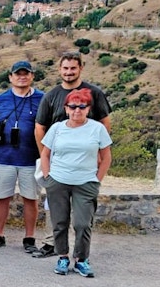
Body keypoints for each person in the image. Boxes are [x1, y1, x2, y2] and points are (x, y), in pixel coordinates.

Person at [33, 50, 112, 258]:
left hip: (86, 164)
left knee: (82, 218)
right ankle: (53, 246)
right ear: (60, 69)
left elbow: (105, 124)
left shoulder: (94, 93)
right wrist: (46, 162)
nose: (69, 72)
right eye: (65, 68)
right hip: (58, 164)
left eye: (73, 68)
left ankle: (80, 256)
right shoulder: (51, 96)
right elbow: (40, 127)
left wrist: (97, 154)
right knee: (56, 212)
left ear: (81, 68)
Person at [40, 89, 112, 277]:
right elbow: (45, 154)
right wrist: (48, 177)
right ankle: (62, 256)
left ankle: (81, 259)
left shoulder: (97, 129)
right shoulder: (57, 128)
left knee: (82, 223)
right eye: (72, 106)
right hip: (58, 181)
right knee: (59, 222)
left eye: (82, 106)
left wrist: (97, 180)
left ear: (88, 108)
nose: (77, 111)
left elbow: (106, 158)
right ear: (66, 108)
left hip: (86, 182)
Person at [0, 61, 44, 252]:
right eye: (18, 74)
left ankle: (29, 237)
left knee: (30, 199)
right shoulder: (1, 100)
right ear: (10, 77)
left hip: (31, 158)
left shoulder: (43, 98)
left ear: (32, 76)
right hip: (3, 157)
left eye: (26, 74)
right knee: (1, 197)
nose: (22, 77)